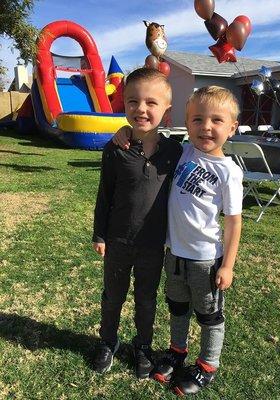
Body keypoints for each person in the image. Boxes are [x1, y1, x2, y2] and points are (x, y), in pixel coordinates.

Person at [113, 85, 243, 396]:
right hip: (174, 253)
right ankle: (177, 352)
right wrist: (124, 129)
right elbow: (147, 134)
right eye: (197, 119)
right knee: (177, 307)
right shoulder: (183, 150)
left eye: (216, 121)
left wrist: (228, 265)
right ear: (186, 122)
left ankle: (208, 365)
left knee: (209, 314)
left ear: (232, 127)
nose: (206, 127)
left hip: (206, 259)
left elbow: (234, 222)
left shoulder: (229, 172)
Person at [92, 67, 182, 379]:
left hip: (153, 244)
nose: (141, 109)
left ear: (166, 111)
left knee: (146, 298)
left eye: (151, 103)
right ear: (124, 105)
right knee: (112, 296)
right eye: (133, 101)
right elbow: (104, 195)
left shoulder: (175, 152)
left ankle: (143, 345)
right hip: (118, 240)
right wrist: (99, 234)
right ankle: (108, 341)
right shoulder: (115, 149)